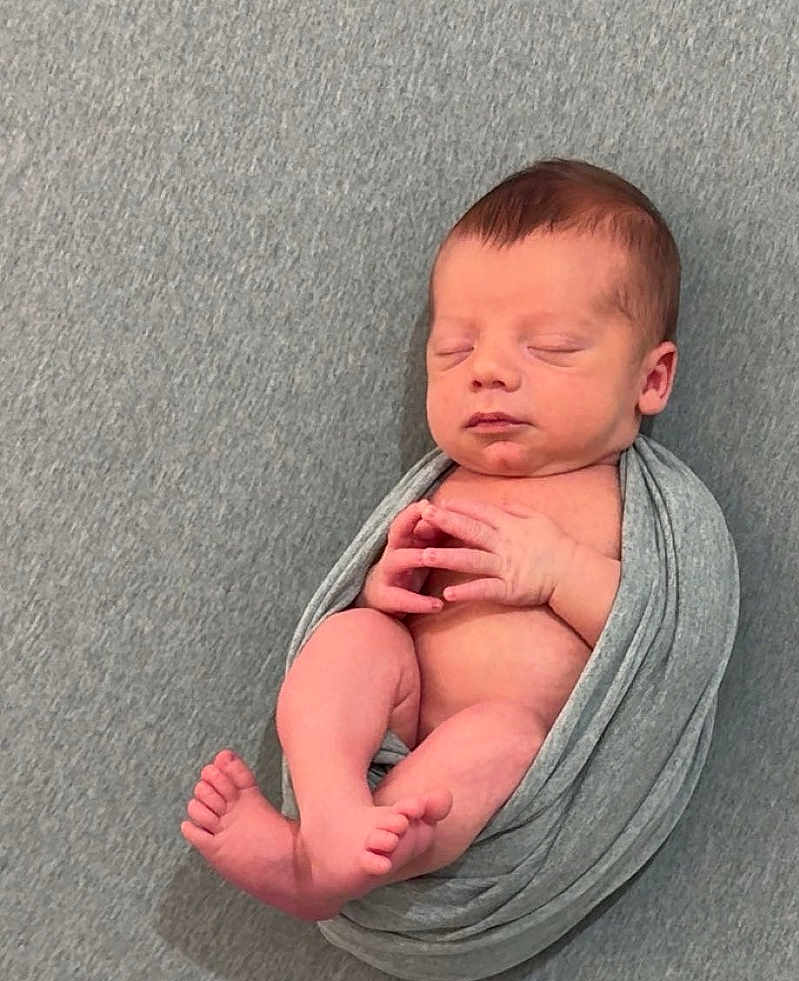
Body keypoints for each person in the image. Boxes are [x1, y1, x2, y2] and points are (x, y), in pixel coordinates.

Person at [180, 158, 681, 920]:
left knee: (502, 734)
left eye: (548, 347)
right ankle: (330, 812)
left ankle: (332, 869)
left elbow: (662, 641)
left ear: (651, 381)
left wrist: (558, 572)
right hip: (402, 714)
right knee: (351, 640)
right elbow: (379, 616)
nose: (489, 371)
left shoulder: (631, 507)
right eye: (454, 349)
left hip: (505, 769)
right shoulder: (444, 484)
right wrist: (386, 592)